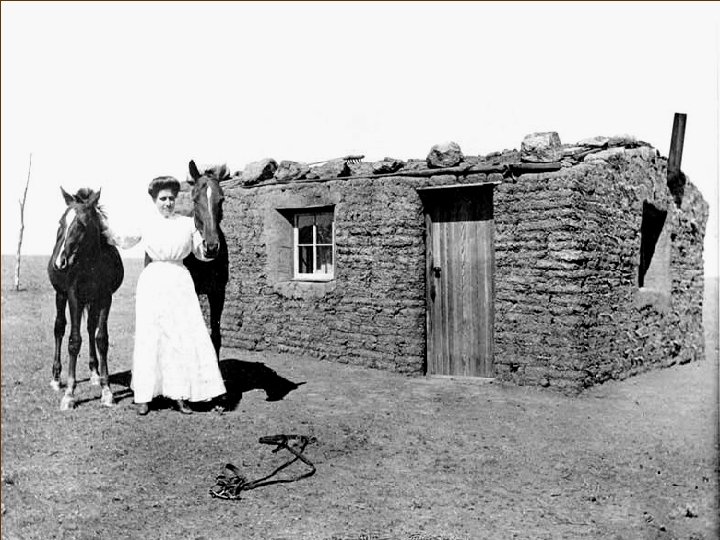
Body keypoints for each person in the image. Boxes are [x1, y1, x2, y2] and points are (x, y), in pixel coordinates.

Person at [108, 176, 227, 415]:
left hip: (180, 281)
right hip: (153, 282)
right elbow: (123, 240)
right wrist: (105, 231)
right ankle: (143, 396)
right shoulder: (146, 222)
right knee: (150, 337)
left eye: (172, 198)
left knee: (180, 337)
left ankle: (180, 395)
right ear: (154, 200)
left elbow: (200, 252)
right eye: (163, 198)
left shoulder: (186, 224)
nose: (168, 203)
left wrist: (209, 248)